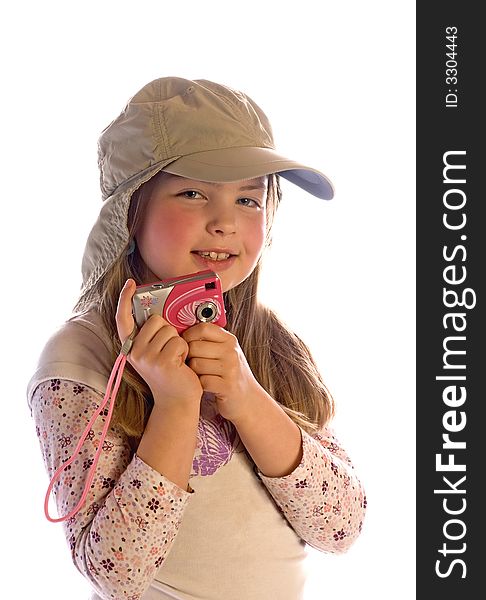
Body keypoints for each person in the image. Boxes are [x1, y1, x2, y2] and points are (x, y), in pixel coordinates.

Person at [27, 77, 366, 600]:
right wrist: (176, 404)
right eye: (192, 192)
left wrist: (248, 398)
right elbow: (116, 572)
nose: (225, 222)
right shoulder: (81, 356)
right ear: (129, 213)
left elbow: (340, 527)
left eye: (250, 200)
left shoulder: (271, 343)